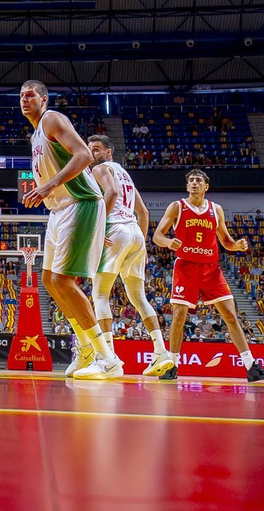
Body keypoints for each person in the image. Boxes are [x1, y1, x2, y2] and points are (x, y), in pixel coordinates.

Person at [19, 80, 122, 379]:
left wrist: (48, 185)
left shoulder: (52, 119)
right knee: (50, 281)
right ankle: (87, 348)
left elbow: (84, 155)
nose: (25, 100)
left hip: (81, 202)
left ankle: (108, 358)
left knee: (64, 281)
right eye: (21, 96)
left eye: (30, 96)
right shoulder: (35, 135)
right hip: (59, 209)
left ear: (43, 99)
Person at [152, 170, 264, 383]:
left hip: (211, 269)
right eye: (191, 181)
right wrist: (169, 242)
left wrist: (237, 246)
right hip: (186, 267)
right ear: (187, 186)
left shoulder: (215, 210)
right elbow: (157, 236)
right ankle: (172, 365)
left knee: (230, 315)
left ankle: (251, 366)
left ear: (206, 186)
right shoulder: (177, 206)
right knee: (179, 316)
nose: (194, 183)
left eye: (198, 180)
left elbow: (226, 241)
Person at [86, 133, 175, 376]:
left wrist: (97, 227)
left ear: (108, 153)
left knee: (100, 294)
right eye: (89, 149)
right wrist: (143, 244)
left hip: (115, 230)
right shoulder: (125, 174)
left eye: (96, 149)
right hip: (135, 232)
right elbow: (143, 212)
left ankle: (108, 358)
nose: (92, 153)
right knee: (139, 298)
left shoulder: (101, 169)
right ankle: (160, 352)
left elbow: (111, 194)